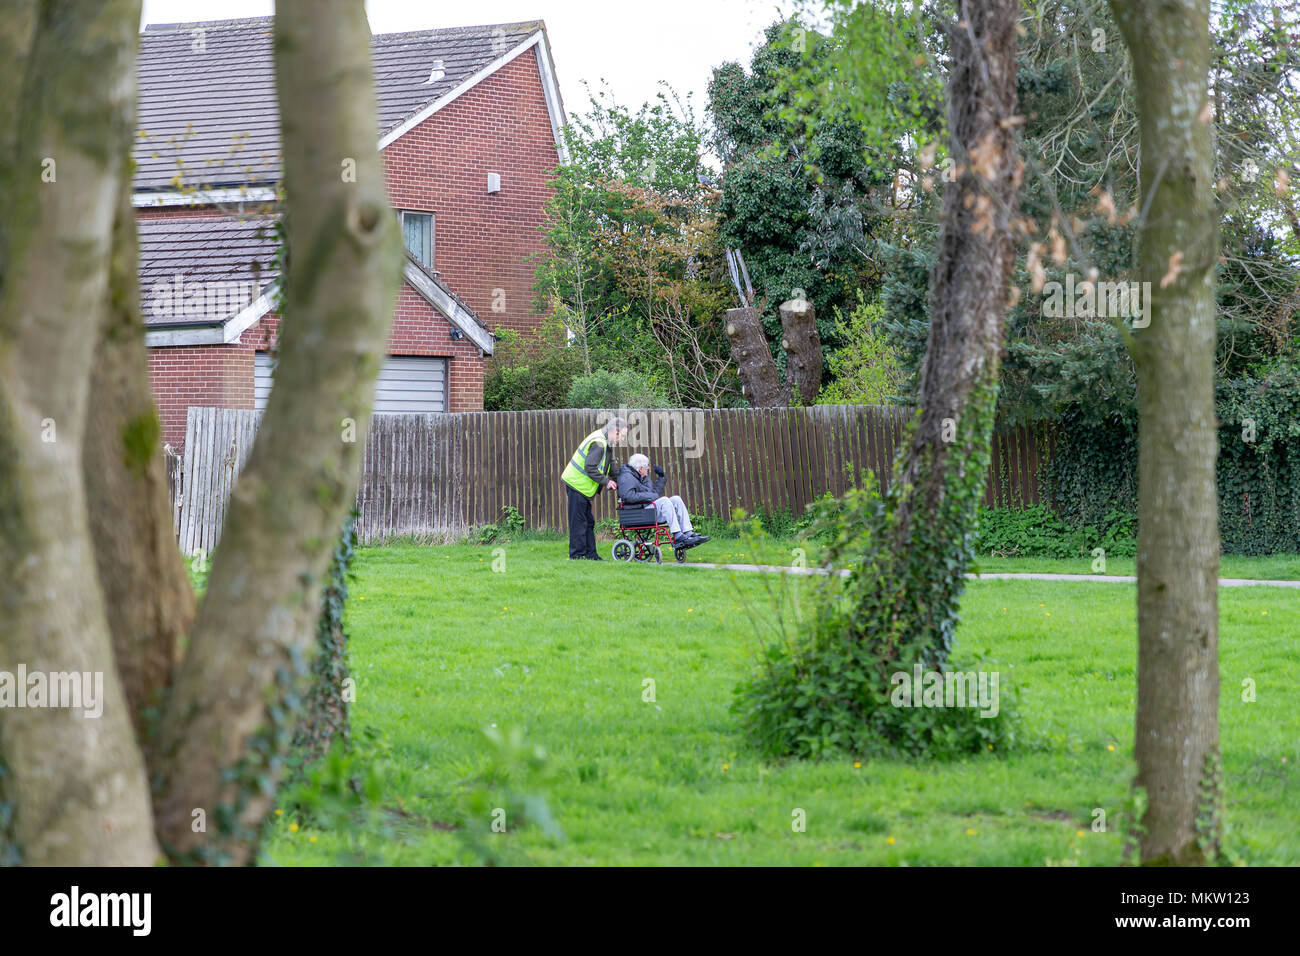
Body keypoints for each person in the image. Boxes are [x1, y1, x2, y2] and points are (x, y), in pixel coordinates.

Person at [560, 417, 626, 560]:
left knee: (588, 522)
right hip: (576, 484)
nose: (622, 440)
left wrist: (621, 480)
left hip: (582, 487)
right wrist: (606, 482)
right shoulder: (599, 443)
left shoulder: (605, 442)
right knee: (579, 522)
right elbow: (590, 467)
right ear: (615, 431)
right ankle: (577, 556)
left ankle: (591, 555)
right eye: (622, 436)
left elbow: (611, 464)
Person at [616, 453, 709, 547]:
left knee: (676, 499)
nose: (648, 468)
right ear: (640, 469)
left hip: (645, 509)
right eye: (646, 466)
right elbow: (628, 496)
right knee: (664, 500)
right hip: (636, 513)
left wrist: (661, 477)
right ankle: (677, 535)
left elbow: (654, 493)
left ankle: (688, 532)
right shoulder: (626, 477)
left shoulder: (643, 477)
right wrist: (649, 496)